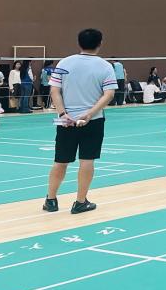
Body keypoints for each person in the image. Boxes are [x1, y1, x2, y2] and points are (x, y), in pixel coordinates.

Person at [43, 28, 116, 214]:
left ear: (79, 43)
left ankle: (50, 200)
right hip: (93, 121)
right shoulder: (106, 66)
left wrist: (62, 114)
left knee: (60, 161)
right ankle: (80, 202)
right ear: (100, 43)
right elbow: (109, 94)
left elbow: (54, 91)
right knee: (87, 160)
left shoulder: (64, 63)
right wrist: (90, 114)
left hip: (66, 121)